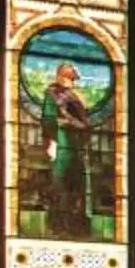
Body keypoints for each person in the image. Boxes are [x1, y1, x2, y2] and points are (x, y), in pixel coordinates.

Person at [42, 59, 95, 238]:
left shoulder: (79, 97)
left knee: (77, 184)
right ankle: (58, 225)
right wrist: (51, 140)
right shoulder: (51, 93)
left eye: (72, 77)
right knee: (59, 183)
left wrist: (74, 124)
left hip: (77, 145)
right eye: (67, 75)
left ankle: (77, 225)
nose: (71, 80)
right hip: (61, 142)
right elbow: (49, 119)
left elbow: (86, 124)